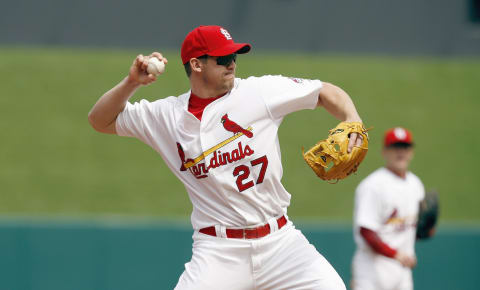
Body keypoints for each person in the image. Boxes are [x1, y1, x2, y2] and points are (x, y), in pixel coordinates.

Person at [88, 25, 365, 290]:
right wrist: (131, 83)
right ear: (197, 65)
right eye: (222, 58)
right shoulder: (166, 117)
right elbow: (100, 121)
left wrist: (352, 118)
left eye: (233, 56)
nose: (231, 63)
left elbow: (326, 91)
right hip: (219, 252)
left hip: (280, 242)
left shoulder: (259, 92)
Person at [351, 127, 425, 290]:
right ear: (384, 152)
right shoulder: (373, 186)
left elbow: (415, 229)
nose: (401, 152)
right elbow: (366, 231)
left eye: (405, 147)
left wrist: (427, 230)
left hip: (402, 271)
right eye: (395, 147)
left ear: (411, 152)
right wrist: (396, 255)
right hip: (372, 270)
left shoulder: (416, 184)